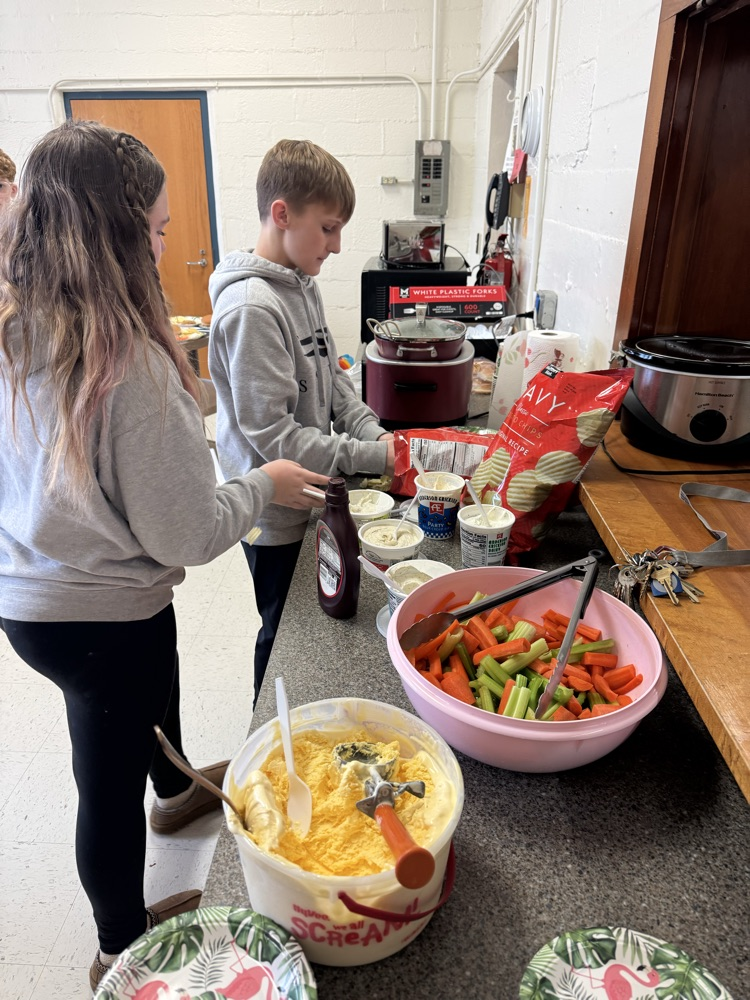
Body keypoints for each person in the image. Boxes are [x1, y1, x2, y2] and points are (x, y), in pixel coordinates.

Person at [0, 120, 329, 991]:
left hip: (30, 600)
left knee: (152, 678)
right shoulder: (130, 366)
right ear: (114, 234)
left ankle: (178, 790)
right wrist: (265, 484)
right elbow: (185, 535)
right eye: (153, 228)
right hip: (97, 612)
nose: (164, 245)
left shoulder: (16, 331)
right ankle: (118, 942)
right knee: (100, 780)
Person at [208, 139, 394, 704]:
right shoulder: (252, 308)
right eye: (329, 228)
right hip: (272, 510)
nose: (337, 246)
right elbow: (275, 437)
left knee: (318, 615)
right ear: (282, 214)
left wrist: (376, 434)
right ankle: (271, 724)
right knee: (283, 629)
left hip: (311, 491)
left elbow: (335, 380)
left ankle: (310, 707)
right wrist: (372, 459)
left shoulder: (302, 286)